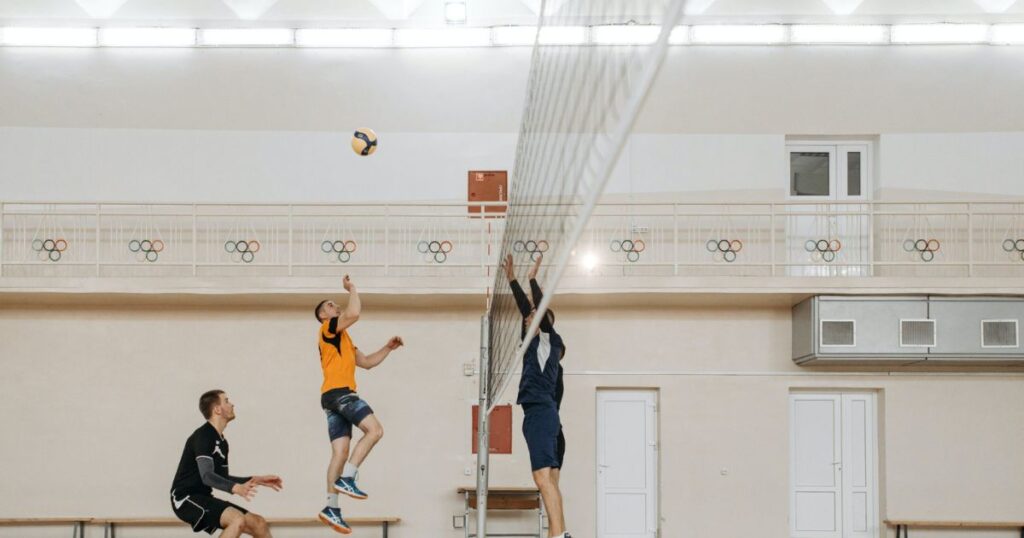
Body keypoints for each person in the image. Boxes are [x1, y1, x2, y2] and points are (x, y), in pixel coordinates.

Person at [314, 275, 404, 534]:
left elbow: (366, 362)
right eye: (331, 305)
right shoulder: (328, 328)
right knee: (375, 431)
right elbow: (354, 312)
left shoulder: (343, 338)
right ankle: (348, 478)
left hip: (330, 399)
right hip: (341, 393)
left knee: (340, 453)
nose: (336, 306)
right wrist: (352, 288)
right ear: (323, 315)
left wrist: (388, 348)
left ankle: (331, 507)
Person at [502, 254, 571, 538]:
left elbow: (535, 311)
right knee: (550, 482)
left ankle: (557, 535)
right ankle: (559, 533)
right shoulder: (536, 347)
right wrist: (512, 280)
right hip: (545, 417)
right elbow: (527, 310)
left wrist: (530, 278)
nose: (527, 316)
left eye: (532, 315)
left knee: (543, 479)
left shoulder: (547, 340)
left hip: (541, 414)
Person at [170, 390, 282, 538]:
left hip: (203, 496)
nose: (232, 404)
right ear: (217, 409)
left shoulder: (222, 442)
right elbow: (207, 476)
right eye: (227, 401)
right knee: (237, 520)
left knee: (259, 523)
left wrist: (256, 479)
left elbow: (221, 477)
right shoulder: (203, 436)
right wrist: (235, 488)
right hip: (185, 498)